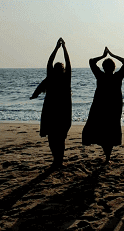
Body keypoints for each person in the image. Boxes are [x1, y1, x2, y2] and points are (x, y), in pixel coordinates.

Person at [82, 47, 124, 160]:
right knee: (111, 130)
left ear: (103, 67)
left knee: (102, 129)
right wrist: (113, 55)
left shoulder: (100, 76)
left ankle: (106, 154)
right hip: (114, 107)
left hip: (100, 106)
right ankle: (108, 156)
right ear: (114, 67)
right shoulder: (118, 77)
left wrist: (103, 56)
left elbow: (91, 61)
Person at [30, 38, 72, 167]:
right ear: (63, 69)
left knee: (52, 137)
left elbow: (50, 61)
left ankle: (56, 159)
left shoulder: (51, 77)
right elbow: (68, 62)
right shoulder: (66, 77)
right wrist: (64, 48)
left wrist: (56, 48)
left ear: (53, 69)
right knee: (61, 137)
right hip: (64, 110)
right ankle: (59, 160)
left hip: (50, 109)